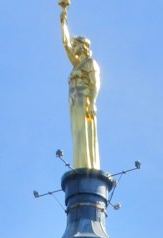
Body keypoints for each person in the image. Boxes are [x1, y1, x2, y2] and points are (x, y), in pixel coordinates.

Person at [60, 0, 101, 169]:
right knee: (76, 131)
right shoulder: (77, 64)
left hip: (84, 98)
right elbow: (65, 44)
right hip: (74, 99)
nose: (73, 47)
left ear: (83, 47)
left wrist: (93, 101)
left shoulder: (90, 63)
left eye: (76, 45)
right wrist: (63, 21)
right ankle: (79, 163)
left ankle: (87, 165)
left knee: (84, 131)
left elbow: (96, 83)